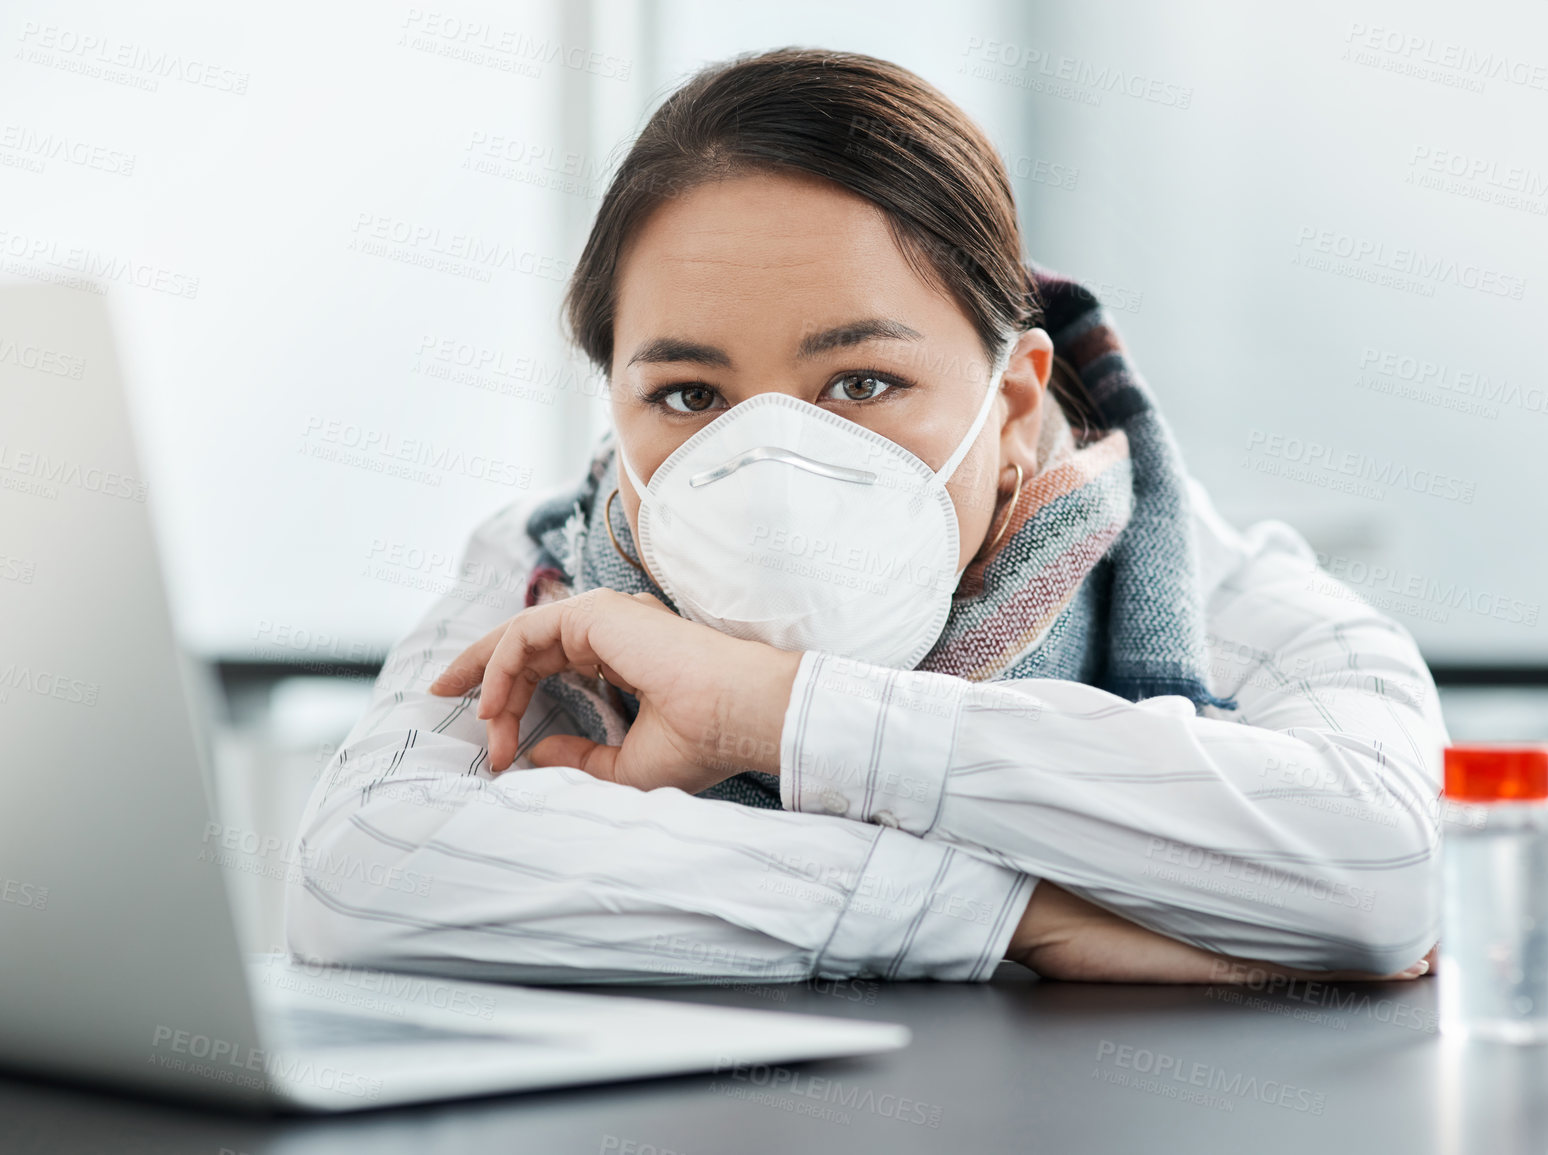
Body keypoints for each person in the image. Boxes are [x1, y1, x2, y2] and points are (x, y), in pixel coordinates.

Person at [287, 48, 1445, 986]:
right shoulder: (547, 585)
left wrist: (769, 713)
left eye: (861, 384)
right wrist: (1012, 913)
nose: (775, 463)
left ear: (1012, 404)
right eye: (690, 397)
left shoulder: (1223, 599)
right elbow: (362, 876)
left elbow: (1381, 871)